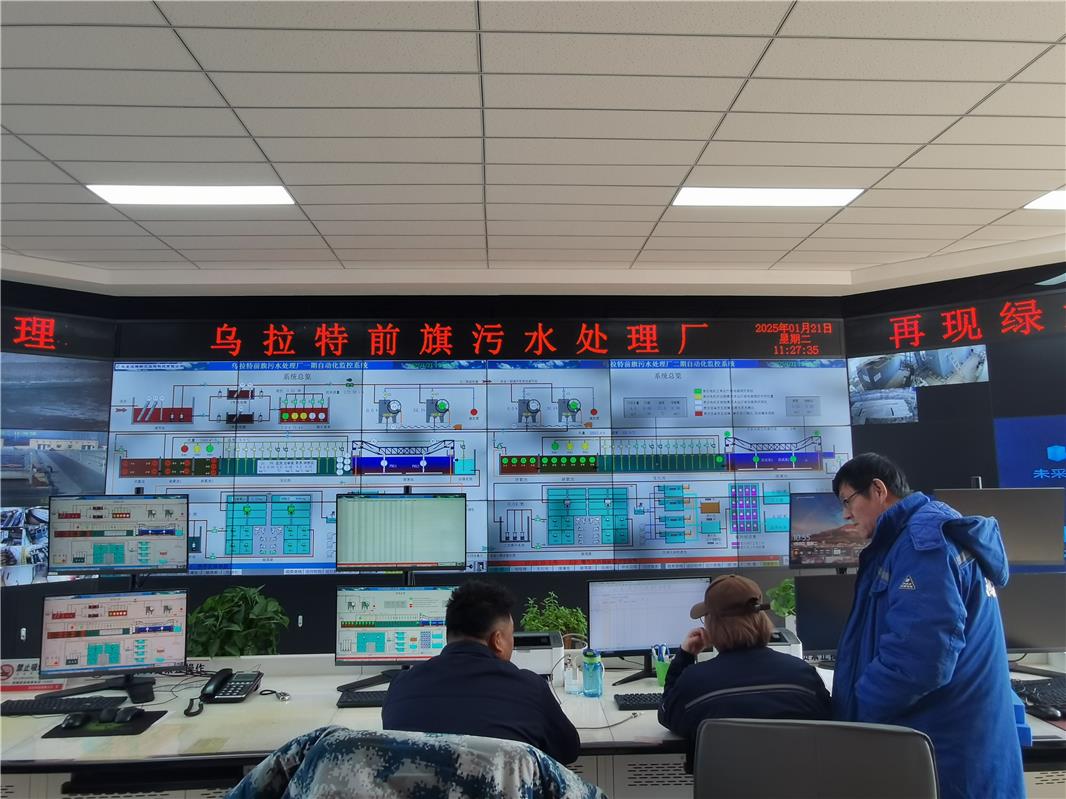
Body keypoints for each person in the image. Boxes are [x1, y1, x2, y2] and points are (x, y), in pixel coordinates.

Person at [830, 453, 1023, 799]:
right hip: (958, 742)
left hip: (942, 752)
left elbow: (918, 660)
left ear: (878, 490)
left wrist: (857, 712)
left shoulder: (922, 545)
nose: (845, 513)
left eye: (848, 501)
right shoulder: (920, 536)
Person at [382, 580, 580, 765]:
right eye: (511, 636)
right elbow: (569, 750)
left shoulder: (401, 686)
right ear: (497, 640)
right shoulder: (531, 689)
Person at [658, 574, 831, 770]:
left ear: (712, 625)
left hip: (725, 785)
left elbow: (667, 714)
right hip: (798, 784)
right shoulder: (803, 675)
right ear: (761, 619)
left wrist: (685, 657)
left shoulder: (694, 683)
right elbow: (826, 721)